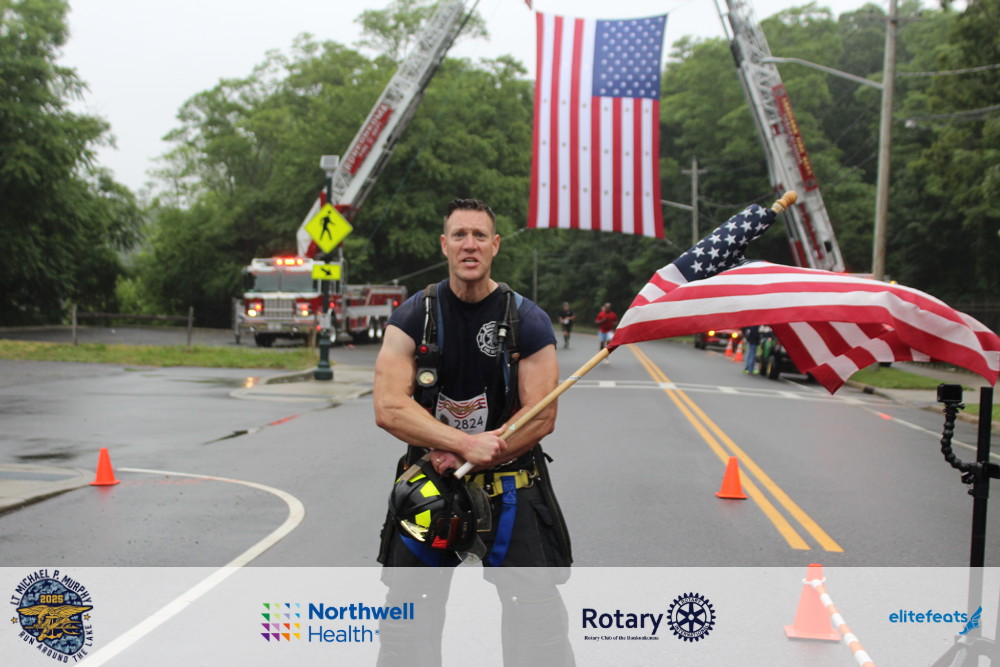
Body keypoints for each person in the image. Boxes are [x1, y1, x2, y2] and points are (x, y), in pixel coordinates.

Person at [373, 198, 574, 667]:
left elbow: (540, 416)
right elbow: (388, 406)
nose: (470, 245)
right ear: (444, 245)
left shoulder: (528, 320)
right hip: (430, 488)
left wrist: (482, 454)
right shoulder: (412, 317)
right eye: (460, 235)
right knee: (407, 628)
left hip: (512, 487)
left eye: (479, 235)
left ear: (495, 245)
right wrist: (460, 444)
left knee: (538, 629)